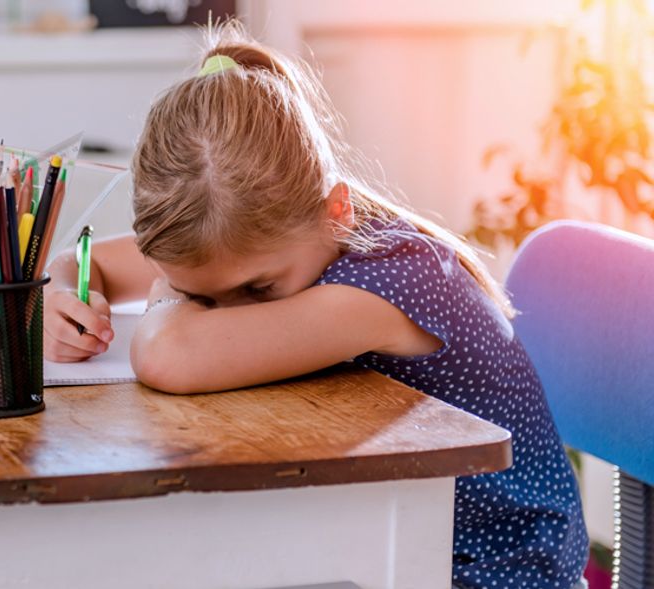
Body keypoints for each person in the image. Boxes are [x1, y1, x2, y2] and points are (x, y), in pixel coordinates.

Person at [43, 21, 589, 589]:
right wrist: (65, 295)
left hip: (489, 570)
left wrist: (173, 288)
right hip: (383, 538)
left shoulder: (385, 285)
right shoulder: (264, 241)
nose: (226, 311)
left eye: (256, 291)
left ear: (337, 210)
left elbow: (169, 356)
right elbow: (82, 262)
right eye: (204, 294)